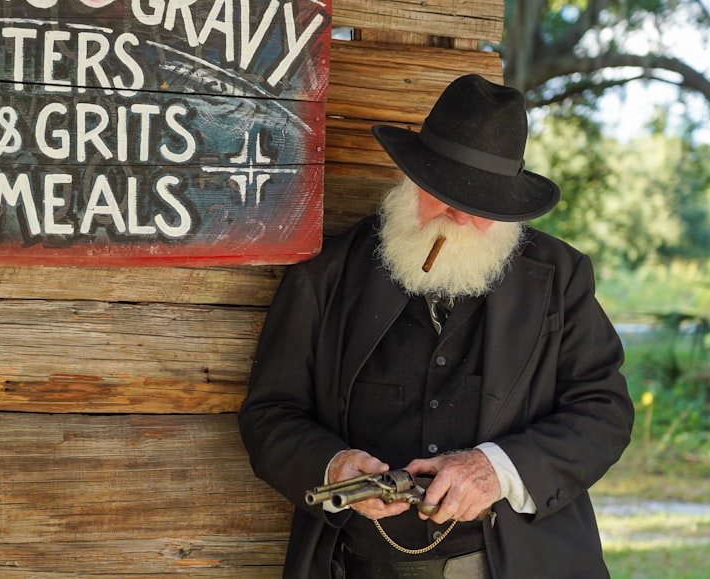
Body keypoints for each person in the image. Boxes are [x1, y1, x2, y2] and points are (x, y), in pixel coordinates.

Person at [237, 74, 634, 579]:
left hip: (513, 562)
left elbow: (604, 411)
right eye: (444, 193)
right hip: (358, 564)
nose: (459, 216)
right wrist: (332, 465)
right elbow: (270, 413)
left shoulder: (560, 278)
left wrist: (497, 470)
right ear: (411, 178)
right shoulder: (326, 276)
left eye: (481, 205)